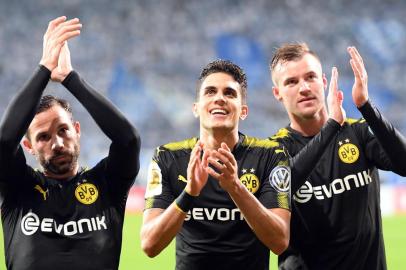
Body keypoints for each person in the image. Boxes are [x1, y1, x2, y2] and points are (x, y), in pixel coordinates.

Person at [0, 16, 141, 270]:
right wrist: (44, 68)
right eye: (43, 137)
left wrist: (69, 78)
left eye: (63, 130)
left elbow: (128, 140)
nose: (57, 143)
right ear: (29, 146)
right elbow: (3, 142)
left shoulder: (107, 184)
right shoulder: (17, 187)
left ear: (77, 131)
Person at [141, 60, 291, 270]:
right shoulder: (167, 158)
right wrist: (189, 193)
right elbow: (149, 245)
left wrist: (235, 187)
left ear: (243, 111)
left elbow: (280, 241)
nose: (219, 98)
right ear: (196, 108)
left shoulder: (271, 156)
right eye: (210, 92)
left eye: (229, 93)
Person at [270, 43, 406, 269]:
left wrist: (366, 106)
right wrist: (332, 125)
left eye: (310, 77)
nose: (304, 87)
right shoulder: (274, 150)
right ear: (278, 93)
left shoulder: (358, 133)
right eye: (291, 82)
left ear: (323, 82)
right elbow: (281, 187)